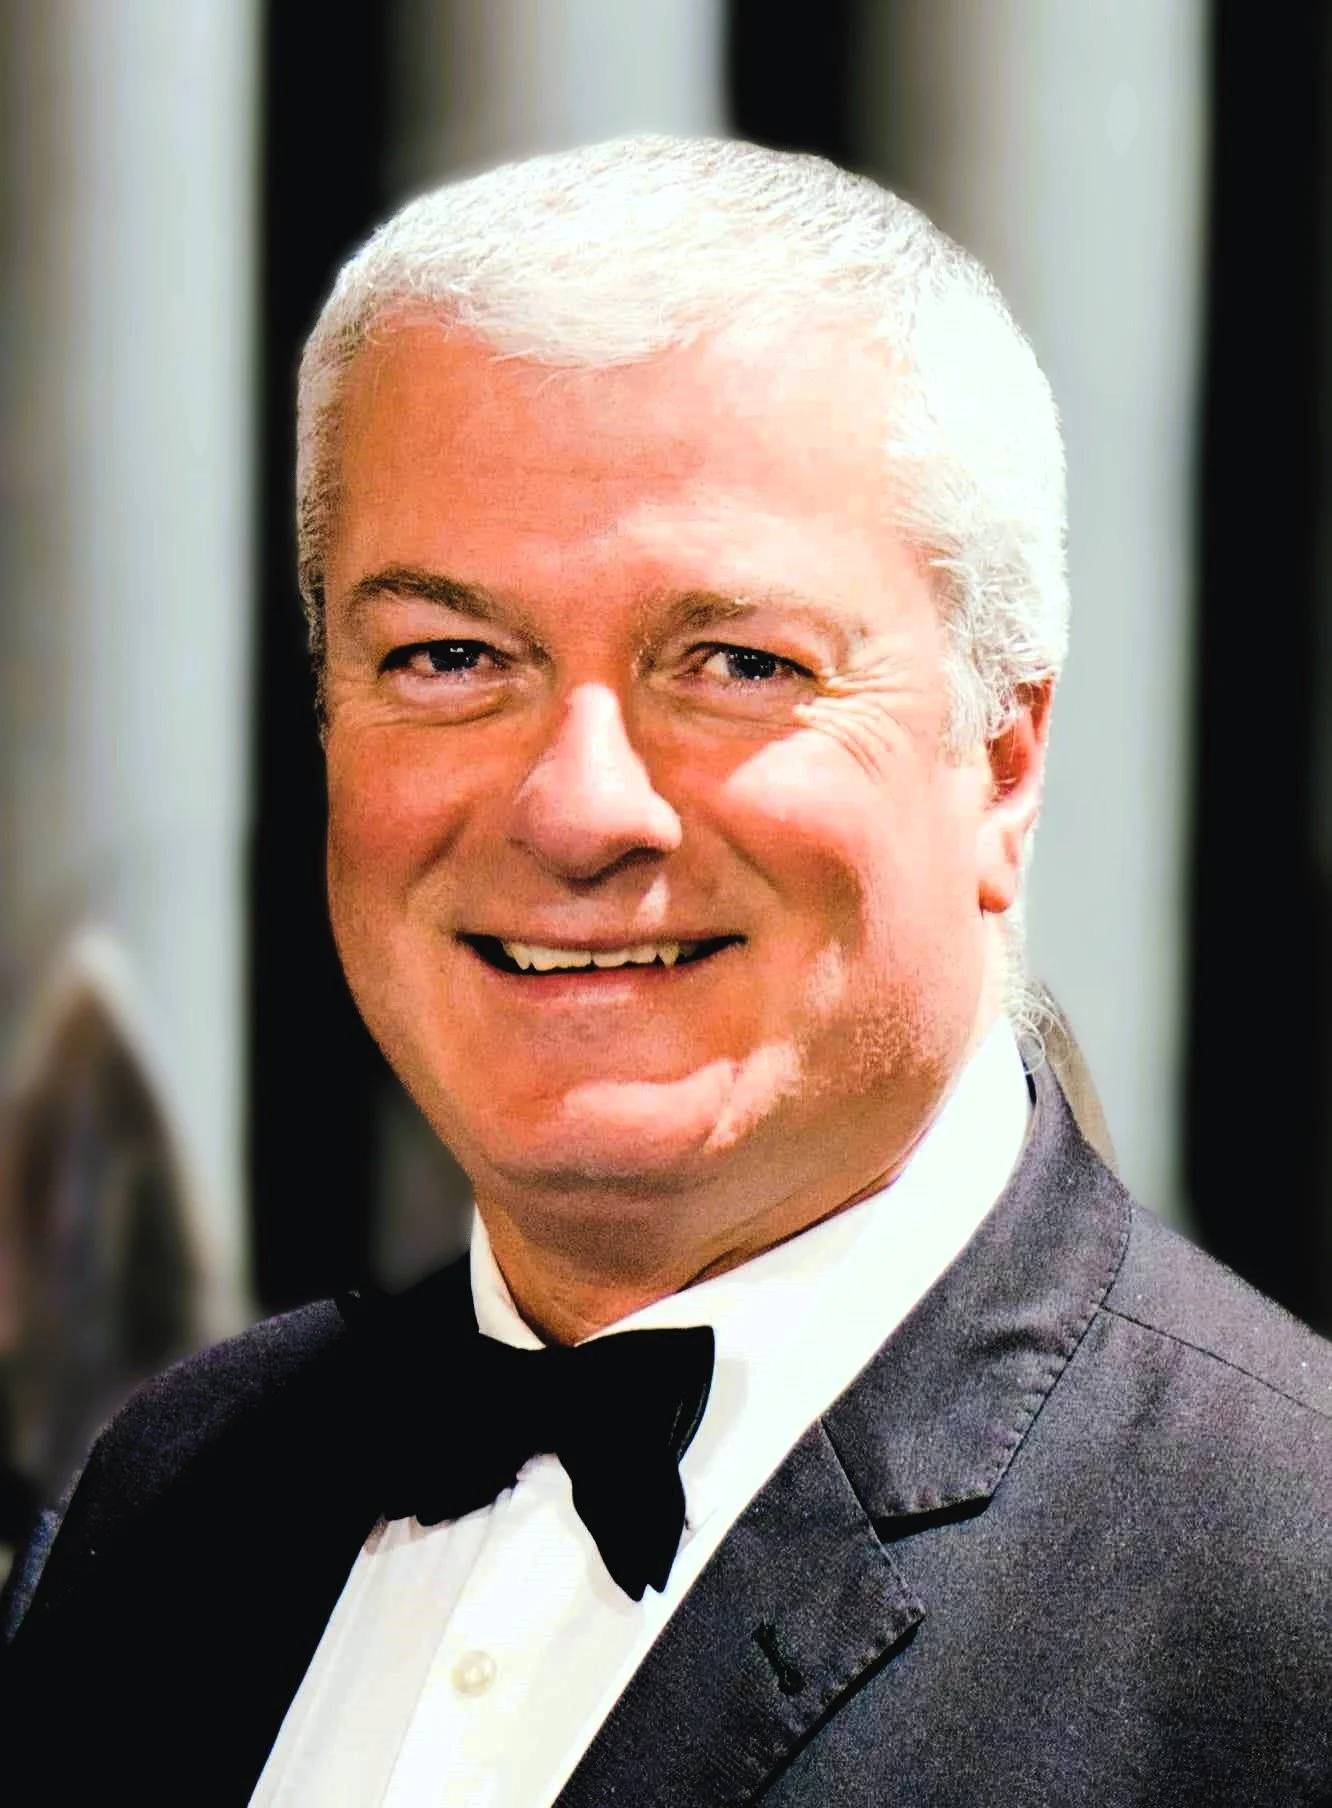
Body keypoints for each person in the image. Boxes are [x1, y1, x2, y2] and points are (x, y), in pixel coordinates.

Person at [2, 137, 1329, 1806]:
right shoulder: (174, 1498)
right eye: (449, 657)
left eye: (733, 663)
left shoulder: (1293, 1612)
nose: (577, 811)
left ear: (1001, 760)